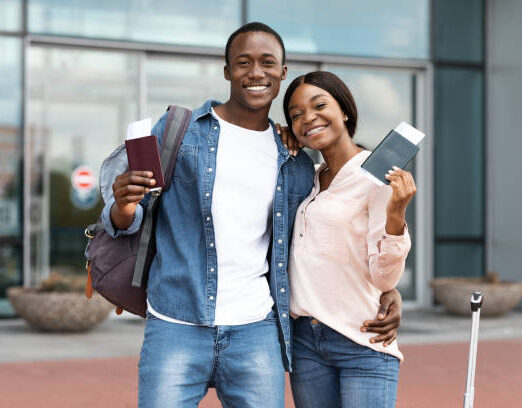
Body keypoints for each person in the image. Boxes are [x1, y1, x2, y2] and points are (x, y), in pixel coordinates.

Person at [102, 23, 403, 408]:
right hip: (176, 322)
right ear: (227, 71)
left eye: (267, 62)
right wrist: (124, 206)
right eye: (243, 62)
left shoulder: (293, 161)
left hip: (256, 330)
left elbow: (322, 239)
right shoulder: (179, 133)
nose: (255, 72)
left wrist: (385, 287)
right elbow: (124, 223)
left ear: (283, 72)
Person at [282, 71, 416, 408]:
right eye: (296, 115)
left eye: (318, 105)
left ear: (344, 110)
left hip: (362, 341)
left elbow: (384, 277)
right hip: (306, 342)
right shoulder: (305, 178)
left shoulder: (376, 176)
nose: (307, 118)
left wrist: (396, 214)